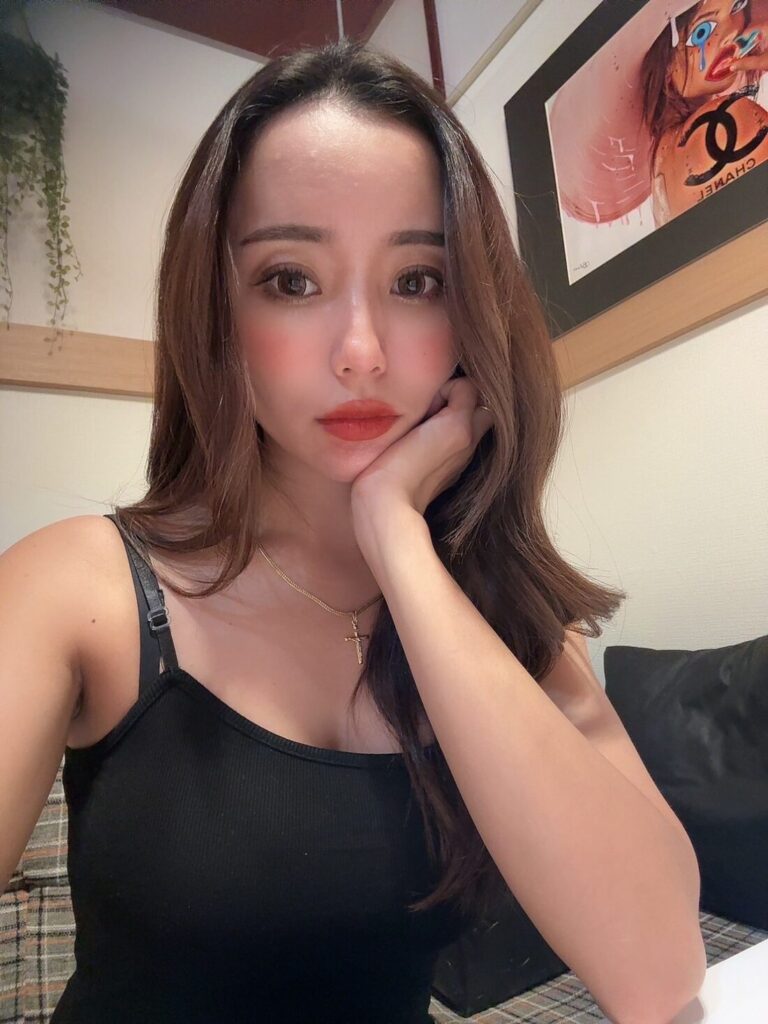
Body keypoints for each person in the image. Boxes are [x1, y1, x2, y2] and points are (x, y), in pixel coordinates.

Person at [1, 37, 706, 1024]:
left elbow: (658, 970)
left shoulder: (498, 608)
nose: (362, 353)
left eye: (417, 280)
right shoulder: (78, 587)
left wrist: (398, 541)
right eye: (291, 279)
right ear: (218, 307)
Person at [640, 0, 768, 224]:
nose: (733, 32)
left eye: (737, 6)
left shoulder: (665, 151)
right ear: (665, 62)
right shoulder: (727, 125)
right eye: (702, 31)